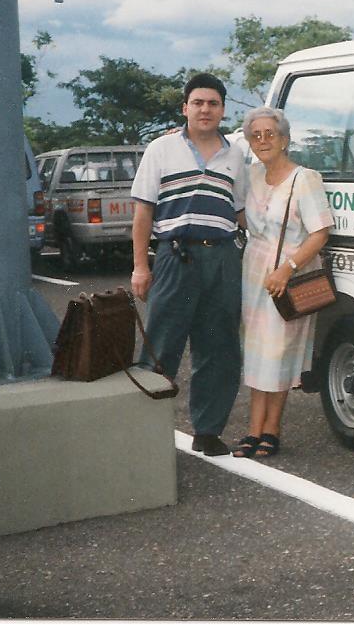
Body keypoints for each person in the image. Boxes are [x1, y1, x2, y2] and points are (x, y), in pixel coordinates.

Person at [130, 73, 248, 456]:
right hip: (174, 257)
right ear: (185, 108)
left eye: (213, 103)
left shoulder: (235, 155)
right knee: (162, 345)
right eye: (198, 102)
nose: (205, 109)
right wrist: (140, 268)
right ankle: (145, 435)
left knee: (219, 347)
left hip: (222, 257)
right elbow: (143, 213)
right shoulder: (161, 149)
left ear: (223, 110)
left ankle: (208, 430)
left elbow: (241, 213)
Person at [232, 106, 332, 459]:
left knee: (277, 353)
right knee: (257, 353)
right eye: (255, 135)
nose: (262, 141)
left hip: (288, 276)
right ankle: (253, 429)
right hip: (254, 272)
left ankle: (271, 430)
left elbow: (320, 232)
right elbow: (241, 215)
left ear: (285, 140)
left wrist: (288, 268)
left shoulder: (304, 178)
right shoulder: (251, 175)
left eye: (270, 134)